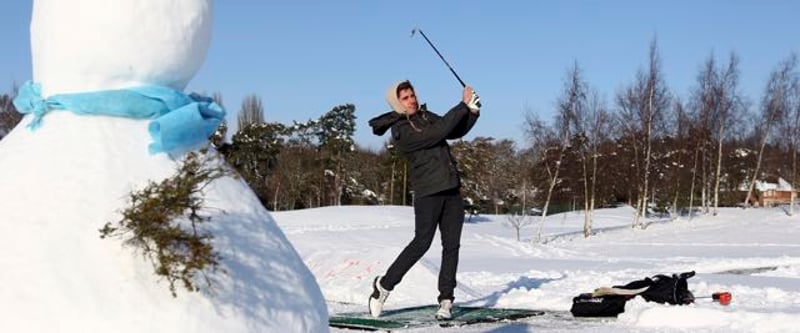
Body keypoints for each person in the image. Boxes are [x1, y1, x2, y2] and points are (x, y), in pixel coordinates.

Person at [367, 80, 481, 320]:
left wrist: (472, 112)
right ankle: (384, 286)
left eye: (412, 95)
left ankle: (446, 300)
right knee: (421, 243)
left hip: (451, 189)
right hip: (428, 193)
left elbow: (453, 130)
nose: (411, 100)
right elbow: (436, 134)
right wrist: (461, 105)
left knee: (451, 246)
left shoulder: (426, 116)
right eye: (405, 98)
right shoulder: (401, 130)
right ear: (397, 103)